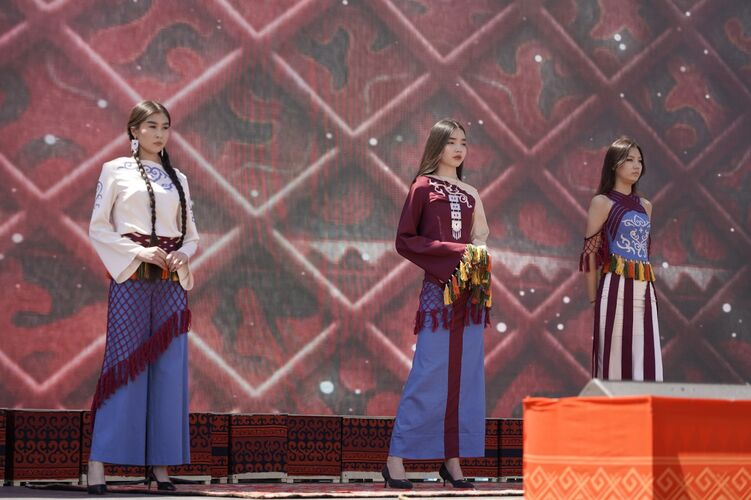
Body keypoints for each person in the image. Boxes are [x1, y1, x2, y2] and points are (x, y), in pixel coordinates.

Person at [86, 101, 199, 494]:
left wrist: (184, 253)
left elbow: (191, 234)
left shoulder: (179, 178)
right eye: (151, 126)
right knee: (123, 365)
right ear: (134, 130)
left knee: (169, 369)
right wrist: (138, 251)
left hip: (170, 281)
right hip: (132, 276)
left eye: (165, 126)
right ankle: (98, 463)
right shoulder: (115, 170)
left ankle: (160, 466)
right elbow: (98, 227)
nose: (159, 134)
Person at [383, 119, 492, 489]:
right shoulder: (422, 187)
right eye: (451, 142)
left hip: (471, 296)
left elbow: (480, 239)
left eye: (464, 142)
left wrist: (478, 256)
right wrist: (454, 253)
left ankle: (452, 460)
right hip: (438, 293)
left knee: (466, 378)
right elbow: (405, 239)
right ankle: (395, 459)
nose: (459, 149)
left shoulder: (472, 192)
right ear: (437, 146)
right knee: (428, 373)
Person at [580, 136, 662, 381]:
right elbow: (590, 255)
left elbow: (644, 250)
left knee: (645, 356)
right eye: (630, 160)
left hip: (644, 290)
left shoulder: (646, 206)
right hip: (615, 289)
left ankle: (646, 404)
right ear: (615, 164)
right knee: (614, 359)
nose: (637, 166)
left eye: (640, 161)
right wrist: (594, 300)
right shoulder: (602, 202)